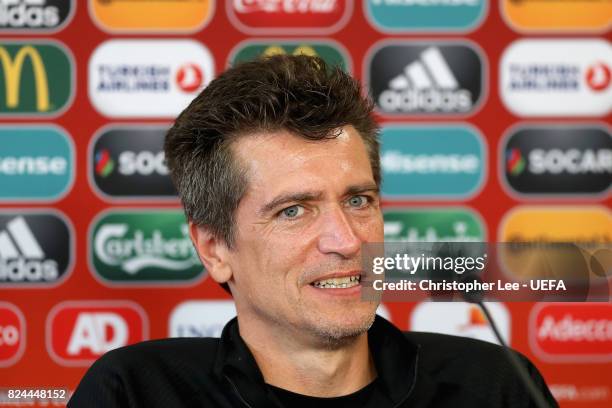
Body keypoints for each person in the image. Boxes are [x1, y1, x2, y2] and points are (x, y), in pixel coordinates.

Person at [68, 55, 558, 407]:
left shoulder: (494, 385)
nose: (347, 241)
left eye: (358, 201)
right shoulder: (136, 392)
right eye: (293, 211)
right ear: (214, 249)